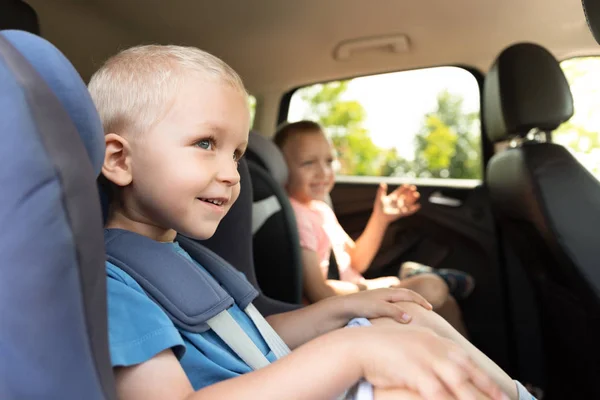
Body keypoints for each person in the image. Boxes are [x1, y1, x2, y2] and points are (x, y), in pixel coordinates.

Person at [89, 44, 531, 400]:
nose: (231, 173)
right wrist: (351, 351)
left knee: (410, 319)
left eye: (237, 153)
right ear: (119, 159)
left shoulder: (182, 253)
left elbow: (252, 333)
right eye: (206, 143)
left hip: (272, 372)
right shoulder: (110, 287)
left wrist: (345, 309)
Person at [274, 120, 473, 333]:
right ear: (282, 169)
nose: (323, 172)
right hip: (339, 311)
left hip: (356, 294)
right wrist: (377, 287)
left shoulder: (320, 209)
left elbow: (356, 262)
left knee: (447, 303)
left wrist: (380, 219)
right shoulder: (296, 217)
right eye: (308, 163)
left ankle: (469, 363)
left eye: (329, 161)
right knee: (431, 288)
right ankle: (420, 277)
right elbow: (320, 292)